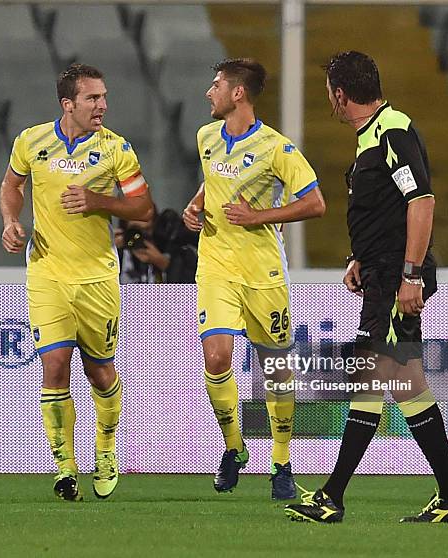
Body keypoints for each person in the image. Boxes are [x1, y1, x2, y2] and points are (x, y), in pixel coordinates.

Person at [284, 51, 448, 523]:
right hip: (382, 272)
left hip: (396, 278)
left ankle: (333, 496)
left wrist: (410, 275)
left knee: (374, 379)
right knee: (405, 385)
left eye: (330, 91)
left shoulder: (391, 130)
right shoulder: (374, 134)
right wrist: (359, 257)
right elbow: (387, 209)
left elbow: (422, 201)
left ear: (340, 94)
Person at [0, 63, 154, 501]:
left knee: (99, 371)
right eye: (92, 98)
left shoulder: (116, 149)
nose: (102, 105)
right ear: (68, 104)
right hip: (47, 272)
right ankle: (64, 468)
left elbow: (144, 208)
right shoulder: (31, 141)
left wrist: (98, 201)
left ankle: (105, 447)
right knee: (54, 366)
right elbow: (12, 184)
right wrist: (11, 221)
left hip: (97, 277)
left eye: (103, 97)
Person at [183, 58, 326, 499]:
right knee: (217, 357)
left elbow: (315, 203)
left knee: (276, 369)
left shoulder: (277, 148)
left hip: (263, 271)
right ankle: (233, 448)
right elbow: (212, 183)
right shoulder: (207, 137)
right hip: (216, 265)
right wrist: (195, 205)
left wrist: (258, 216)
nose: (210, 92)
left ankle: (281, 463)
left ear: (238, 93)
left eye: (217, 85)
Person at [117, 208, 198, 284]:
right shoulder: (118, 255)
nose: (139, 237)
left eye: (146, 230)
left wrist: (164, 264)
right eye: (135, 231)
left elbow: (189, 292)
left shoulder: (176, 253)